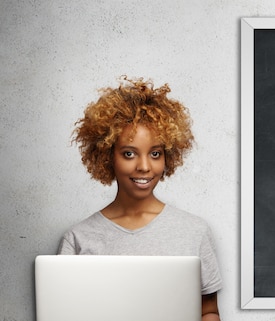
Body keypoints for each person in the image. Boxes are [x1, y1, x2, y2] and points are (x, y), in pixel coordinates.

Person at [58, 76, 222, 321]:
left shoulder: (194, 231)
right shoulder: (79, 239)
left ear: (168, 156)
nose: (144, 166)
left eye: (155, 153)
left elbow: (208, 311)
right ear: (107, 156)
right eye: (129, 153)